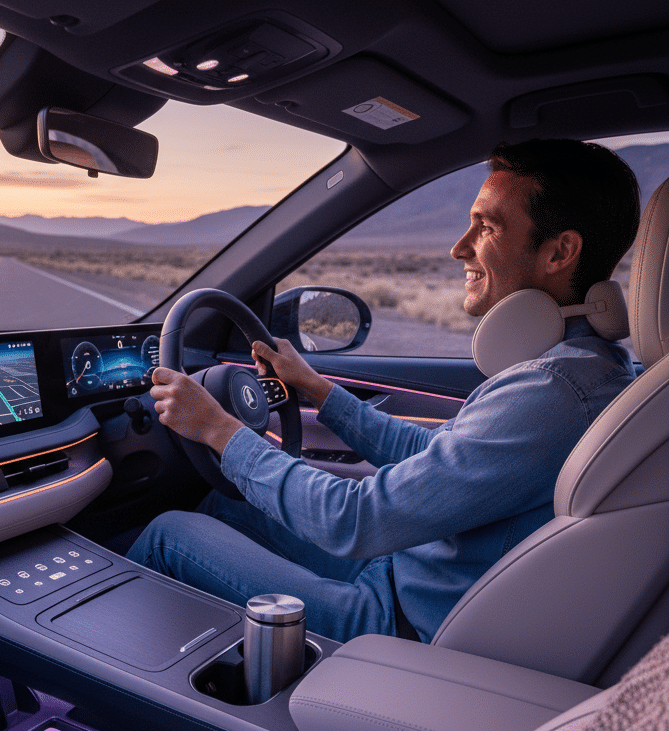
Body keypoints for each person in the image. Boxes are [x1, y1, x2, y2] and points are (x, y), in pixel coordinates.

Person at [127, 139, 640, 643]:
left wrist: (219, 430)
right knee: (228, 509)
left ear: (560, 251)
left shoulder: (553, 393)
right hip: (406, 571)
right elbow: (438, 459)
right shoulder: (589, 368)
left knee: (169, 535)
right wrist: (320, 391)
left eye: (486, 227)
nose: (459, 247)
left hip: (397, 620)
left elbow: (357, 520)